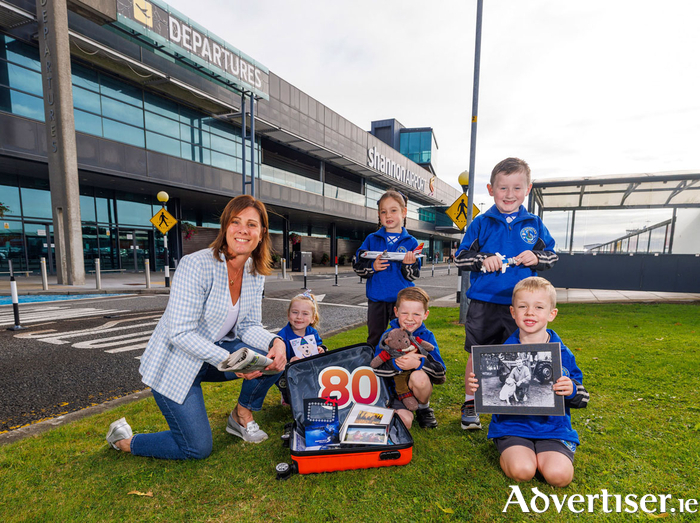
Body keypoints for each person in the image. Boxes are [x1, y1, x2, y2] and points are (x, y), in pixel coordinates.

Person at [105, 195, 287, 459]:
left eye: (252, 224)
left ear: (262, 234)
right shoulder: (197, 265)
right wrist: (233, 362)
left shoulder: (253, 271)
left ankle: (240, 415)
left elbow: (248, 325)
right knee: (196, 448)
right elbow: (180, 333)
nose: (243, 230)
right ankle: (124, 441)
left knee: (274, 359)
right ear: (225, 227)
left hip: (211, 357)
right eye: (236, 222)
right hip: (175, 364)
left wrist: (275, 341)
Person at [454, 157, 558, 430]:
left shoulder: (534, 223)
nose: (509, 194)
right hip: (485, 303)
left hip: (523, 305)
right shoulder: (480, 223)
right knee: (478, 354)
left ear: (528, 189)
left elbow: (552, 255)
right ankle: (470, 404)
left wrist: (536, 258)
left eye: (516, 188)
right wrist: (482, 260)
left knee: (523, 354)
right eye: (502, 188)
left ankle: (520, 407)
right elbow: (461, 257)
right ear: (491, 189)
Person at [466, 277, 589, 487]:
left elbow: (583, 398)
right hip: (512, 427)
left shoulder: (562, 353)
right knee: (522, 471)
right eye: (523, 306)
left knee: (558, 477)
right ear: (513, 312)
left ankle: (546, 453)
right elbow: (492, 388)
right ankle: (512, 448)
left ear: (552, 313)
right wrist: (478, 388)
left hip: (553, 429)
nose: (530, 312)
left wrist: (570, 391)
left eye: (539, 307)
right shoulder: (499, 353)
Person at [353, 189, 421, 347]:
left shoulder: (411, 242)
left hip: (402, 303)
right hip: (377, 300)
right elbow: (358, 265)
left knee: (403, 339)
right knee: (375, 339)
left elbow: (413, 276)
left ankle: (400, 369)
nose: (388, 215)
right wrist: (373, 266)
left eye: (393, 210)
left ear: (404, 212)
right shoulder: (371, 239)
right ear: (379, 215)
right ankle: (374, 369)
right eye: (383, 212)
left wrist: (408, 265)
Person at [372, 287, 446, 429]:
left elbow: (440, 371)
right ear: (396, 312)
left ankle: (423, 408)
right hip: (392, 393)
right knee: (403, 422)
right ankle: (392, 410)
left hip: (415, 389)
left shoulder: (427, 337)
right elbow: (376, 369)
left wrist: (417, 363)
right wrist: (397, 364)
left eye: (416, 314)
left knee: (419, 377)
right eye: (405, 313)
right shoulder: (388, 336)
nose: (410, 318)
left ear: (426, 314)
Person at [275, 290, 327, 405]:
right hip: (287, 372)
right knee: (291, 399)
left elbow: (319, 344)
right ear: (288, 315)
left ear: (313, 318)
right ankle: (285, 395)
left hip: (308, 369)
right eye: (295, 312)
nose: (299, 317)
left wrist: (320, 349)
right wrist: (289, 362)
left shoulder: (312, 332)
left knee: (312, 388)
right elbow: (277, 359)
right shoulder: (282, 336)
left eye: (305, 313)